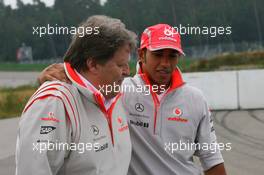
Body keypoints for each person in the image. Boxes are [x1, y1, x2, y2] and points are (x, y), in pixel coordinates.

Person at [38, 24, 227, 175]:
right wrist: (58, 72)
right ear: (142, 54)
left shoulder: (196, 99)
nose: (165, 63)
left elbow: (211, 158)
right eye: (158, 55)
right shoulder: (120, 90)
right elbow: (87, 82)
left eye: (172, 56)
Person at [16, 15, 137, 175]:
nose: (127, 72)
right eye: (120, 65)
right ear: (93, 64)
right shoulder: (53, 102)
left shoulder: (115, 94)